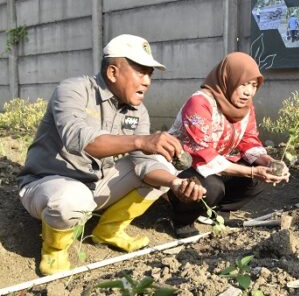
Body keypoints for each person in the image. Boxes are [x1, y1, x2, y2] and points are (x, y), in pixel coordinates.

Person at [17, 34, 205, 276]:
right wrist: (140, 140)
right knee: (73, 199)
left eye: (150, 74)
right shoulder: (73, 90)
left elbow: (143, 163)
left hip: (94, 184)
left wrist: (176, 184)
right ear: (113, 72)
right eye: (141, 72)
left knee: (163, 168)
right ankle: (54, 250)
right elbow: (78, 140)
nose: (147, 81)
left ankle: (109, 230)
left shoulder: (138, 111)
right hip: (48, 185)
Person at [168, 52, 289, 238]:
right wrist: (251, 171)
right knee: (213, 187)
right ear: (228, 79)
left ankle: (217, 213)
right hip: (183, 168)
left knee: (259, 178)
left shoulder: (245, 107)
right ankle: (181, 219)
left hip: (215, 166)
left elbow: (248, 140)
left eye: (254, 85)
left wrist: (268, 161)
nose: (248, 91)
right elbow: (203, 155)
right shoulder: (200, 103)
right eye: (243, 84)